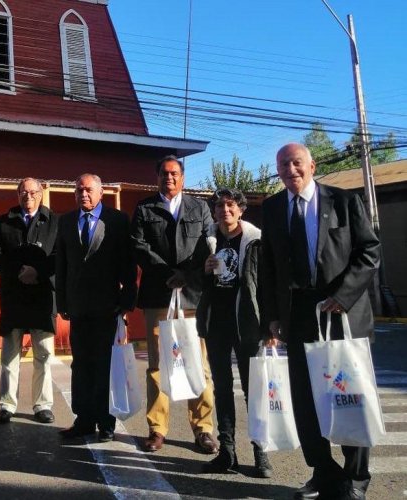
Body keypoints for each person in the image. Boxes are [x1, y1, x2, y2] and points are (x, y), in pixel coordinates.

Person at [262, 143, 380, 500]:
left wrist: (342, 297)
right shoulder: (272, 208)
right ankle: (323, 472)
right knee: (306, 398)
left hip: (340, 311)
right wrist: (272, 316)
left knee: (348, 395)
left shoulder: (344, 201)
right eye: (283, 165)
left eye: (297, 162)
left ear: (312, 165)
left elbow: (369, 252)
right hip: (297, 315)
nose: (291, 169)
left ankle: (356, 478)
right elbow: (268, 266)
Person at [130, 155, 218, 454]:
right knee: (157, 366)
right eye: (164, 173)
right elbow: (139, 246)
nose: (169, 178)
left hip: (193, 295)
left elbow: (209, 244)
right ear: (157, 177)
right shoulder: (144, 208)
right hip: (158, 295)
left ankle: (203, 429)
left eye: (175, 173)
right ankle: (157, 429)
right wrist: (169, 274)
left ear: (183, 177)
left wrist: (186, 275)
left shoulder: (200, 207)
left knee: (198, 364)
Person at [195, 188, 272, 477]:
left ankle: (260, 451)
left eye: (230, 206)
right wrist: (203, 269)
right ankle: (227, 452)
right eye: (219, 206)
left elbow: (265, 284)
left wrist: (269, 327)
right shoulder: (208, 240)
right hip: (217, 323)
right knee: (222, 389)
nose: (224, 210)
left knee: (253, 390)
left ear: (240, 210)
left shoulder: (255, 241)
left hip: (247, 323)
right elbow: (194, 277)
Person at [55, 173, 137, 442]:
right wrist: (62, 302)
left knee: (105, 366)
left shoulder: (116, 220)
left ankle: (106, 421)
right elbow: (62, 264)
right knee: (81, 365)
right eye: (79, 190)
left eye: (89, 190)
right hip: (78, 307)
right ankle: (84, 419)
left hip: (107, 306)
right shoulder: (66, 221)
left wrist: (126, 302)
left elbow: (127, 263)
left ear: (101, 193)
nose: (83, 194)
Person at [0, 178, 59, 425]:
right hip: (13, 295)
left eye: (33, 192)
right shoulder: (4, 221)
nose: (28, 196)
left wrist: (37, 273)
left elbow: (59, 256)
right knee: (9, 356)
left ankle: (42, 405)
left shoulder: (55, 222)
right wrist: (19, 271)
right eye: (23, 192)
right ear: (17, 195)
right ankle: (7, 405)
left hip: (42, 297)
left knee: (44, 355)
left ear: (41, 194)